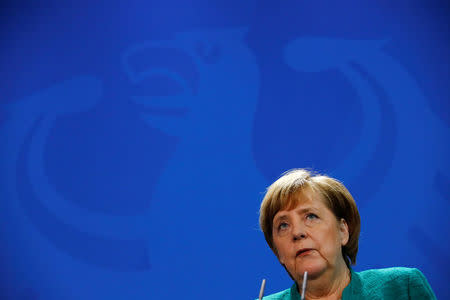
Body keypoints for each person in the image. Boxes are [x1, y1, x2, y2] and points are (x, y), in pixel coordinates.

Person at [258, 169, 436, 299]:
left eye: (311, 216)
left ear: (343, 231)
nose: (297, 232)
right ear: (277, 252)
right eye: (283, 225)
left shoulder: (402, 288)